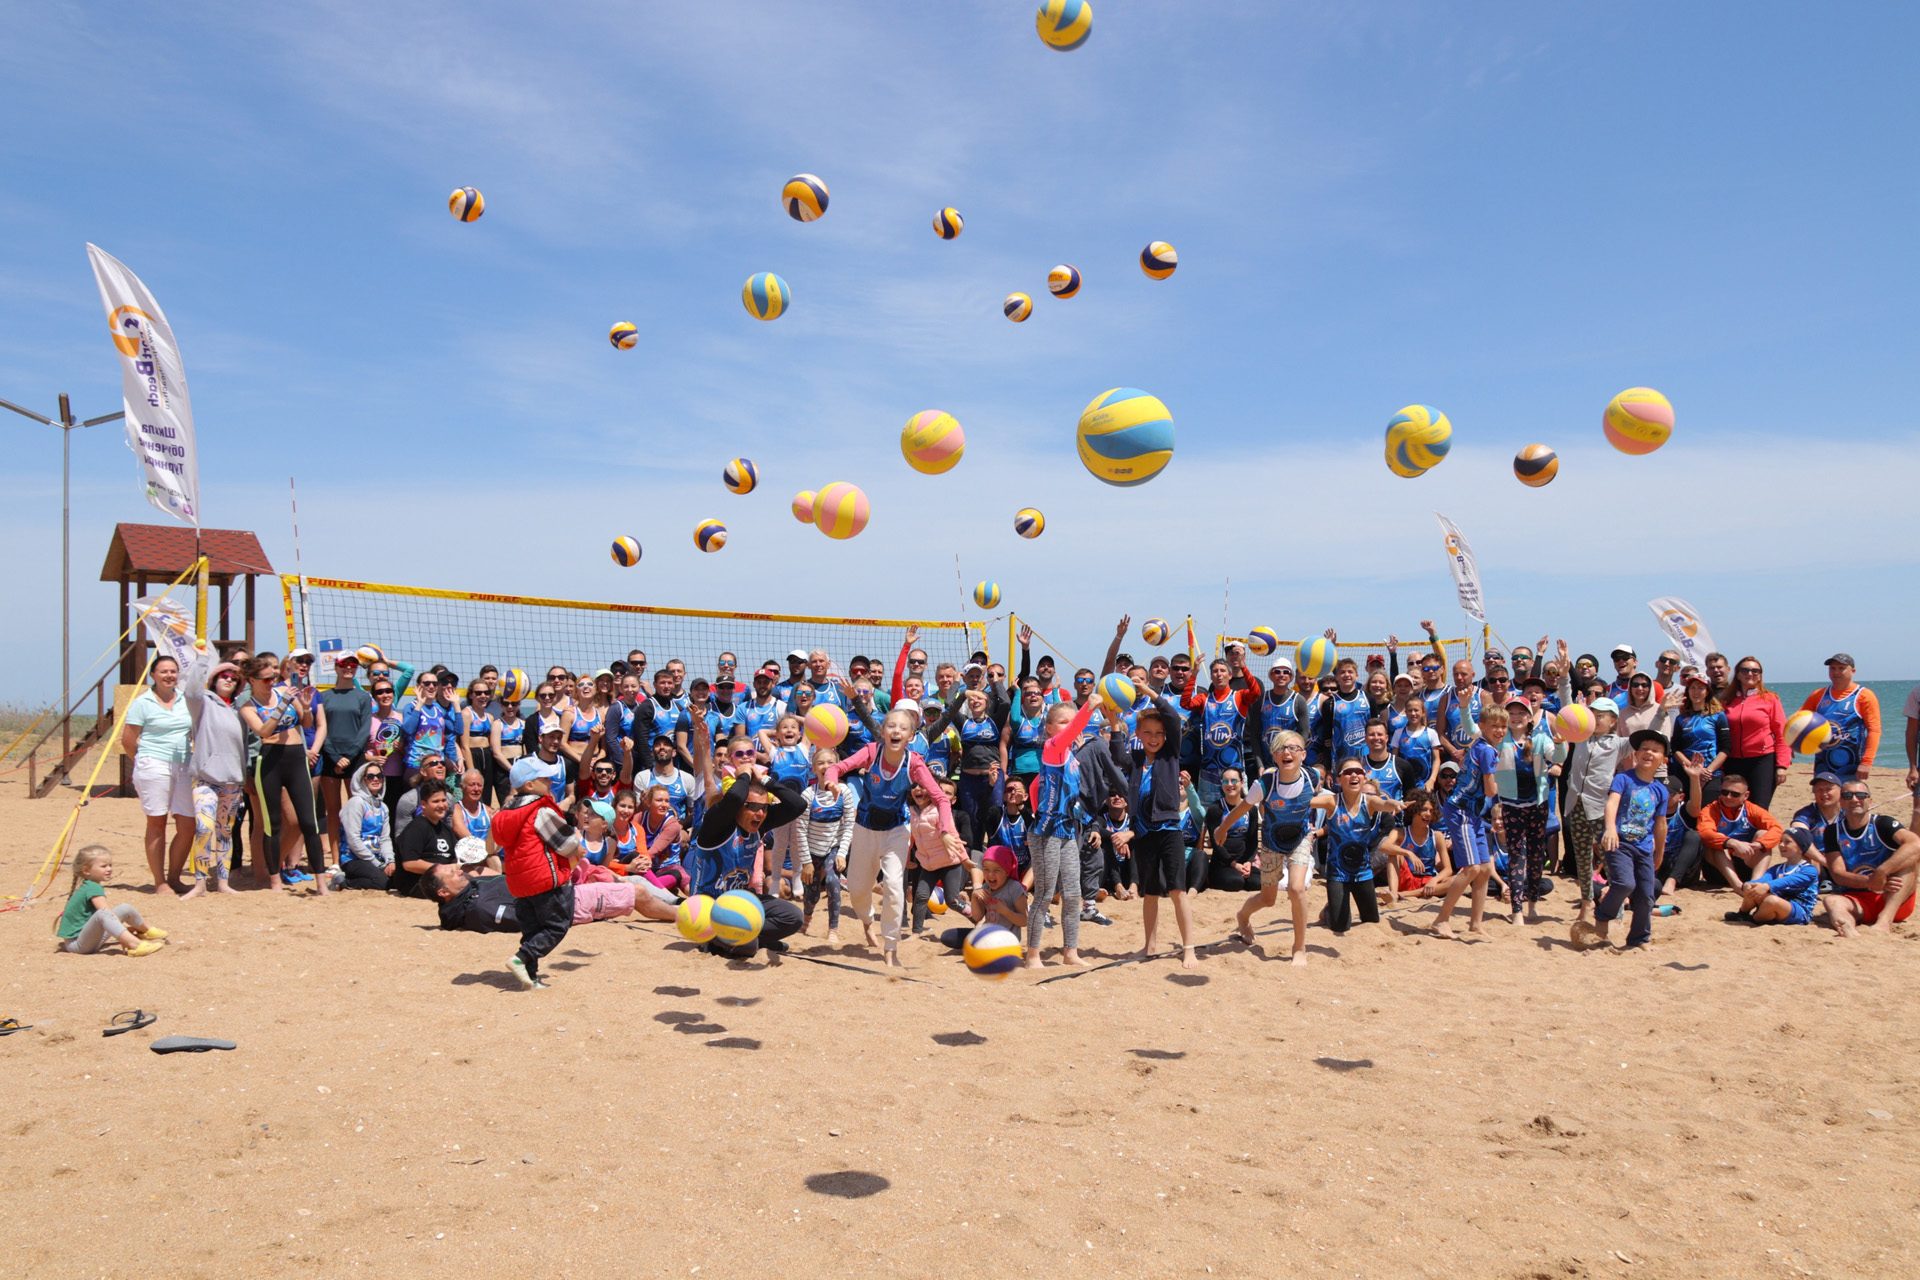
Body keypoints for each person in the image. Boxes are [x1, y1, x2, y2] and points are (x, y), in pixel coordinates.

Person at [826, 707, 960, 968]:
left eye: (903, 728)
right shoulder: (871, 752)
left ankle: (890, 948)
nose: (896, 731)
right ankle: (867, 922)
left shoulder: (915, 763)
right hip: (865, 828)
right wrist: (832, 781)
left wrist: (944, 830)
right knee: (857, 890)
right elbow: (838, 767)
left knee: (895, 888)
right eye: (891, 726)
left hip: (897, 830)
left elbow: (942, 798)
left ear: (910, 736)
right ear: (883, 732)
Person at [686, 707, 807, 959]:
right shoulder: (718, 822)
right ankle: (725, 940)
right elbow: (733, 798)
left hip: (739, 899)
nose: (760, 814)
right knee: (746, 950)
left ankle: (751, 937)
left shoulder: (759, 820)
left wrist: (764, 781)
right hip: (709, 905)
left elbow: (798, 805)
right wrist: (744, 773)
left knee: (793, 917)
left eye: (763, 808)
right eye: (752, 808)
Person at [1220, 729, 1321, 964]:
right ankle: (1242, 917)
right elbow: (1243, 808)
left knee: (1297, 889)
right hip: (1271, 843)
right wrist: (1222, 828)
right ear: (1274, 757)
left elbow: (1328, 798)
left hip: (1300, 838)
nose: (1287, 752)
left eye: (1293, 748)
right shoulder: (1265, 783)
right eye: (1281, 749)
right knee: (1268, 899)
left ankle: (1299, 948)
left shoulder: (1312, 777)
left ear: (1303, 754)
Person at [1116, 694, 1200, 965]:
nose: (1154, 738)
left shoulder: (1170, 755)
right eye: (1148, 732)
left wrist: (1151, 693)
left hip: (1169, 831)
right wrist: (1112, 722)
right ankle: (1149, 946)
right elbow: (1118, 752)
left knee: (1177, 891)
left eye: (1159, 733)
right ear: (1139, 733)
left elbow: (1174, 720)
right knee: (1149, 892)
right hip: (1143, 833)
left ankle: (1189, 948)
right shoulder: (1137, 758)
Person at [488, 756, 583, 988]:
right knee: (557, 925)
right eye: (545, 778)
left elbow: (492, 846)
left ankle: (529, 977)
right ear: (529, 785)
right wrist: (578, 839)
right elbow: (567, 844)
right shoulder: (539, 810)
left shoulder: (505, 813)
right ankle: (521, 958)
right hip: (545, 880)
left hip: (520, 884)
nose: (551, 782)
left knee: (532, 928)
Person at [238, 654, 329, 894]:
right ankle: (275, 881)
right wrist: (281, 706)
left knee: (309, 822)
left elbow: (306, 723)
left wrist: (307, 707)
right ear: (252, 680)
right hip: (268, 761)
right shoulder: (248, 706)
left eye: (272, 678)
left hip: (296, 759)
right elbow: (263, 732)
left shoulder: (283, 692)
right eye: (265, 679)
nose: (271, 682)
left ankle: (321, 883)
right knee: (272, 825)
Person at [1023, 697, 1101, 969]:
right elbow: (1073, 730)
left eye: (1072, 720)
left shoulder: (1069, 757)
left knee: (1071, 893)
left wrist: (1038, 806)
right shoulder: (1053, 746)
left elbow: (1035, 786)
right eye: (1063, 721)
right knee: (1044, 894)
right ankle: (1032, 954)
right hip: (1046, 832)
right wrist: (1088, 707)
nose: (1070, 726)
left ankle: (1071, 952)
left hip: (1066, 828)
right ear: (1050, 728)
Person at [1582, 729, 1671, 951]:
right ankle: (1603, 914)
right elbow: (1612, 803)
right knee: (1624, 883)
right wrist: (1610, 829)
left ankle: (1639, 938)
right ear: (1635, 754)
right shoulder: (1623, 778)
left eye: (1655, 750)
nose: (1649, 753)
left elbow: (1661, 825)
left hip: (1643, 848)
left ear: (1664, 760)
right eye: (1644, 749)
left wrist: (1659, 853)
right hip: (1618, 843)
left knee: (1646, 896)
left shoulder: (1661, 790)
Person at [122, 653, 195, 895]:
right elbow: (129, 741)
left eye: (173, 671)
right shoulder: (143, 703)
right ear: (153, 675)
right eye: (163, 671)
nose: (169, 675)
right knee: (157, 822)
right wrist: (145, 762)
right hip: (153, 764)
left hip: (184, 765)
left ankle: (174, 877)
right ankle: (159, 881)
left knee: (187, 824)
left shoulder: (186, 700)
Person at [180, 644, 246, 898]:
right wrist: (203, 660)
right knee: (204, 828)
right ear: (215, 680)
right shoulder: (203, 704)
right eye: (224, 676)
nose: (228, 680)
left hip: (232, 780)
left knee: (225, 833)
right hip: (205, 779)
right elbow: (192, 690)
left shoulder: (241, 709)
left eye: (233, 678)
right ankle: (199, 884)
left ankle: (223, 883)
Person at [1493, 698, 1565, 924]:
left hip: (1537, 805)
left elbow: (1560, 758)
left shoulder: (1541, 738)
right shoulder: (1499, 739)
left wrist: (1561, 743)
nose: (1516, 716)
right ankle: (1517, 910)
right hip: (1511, 805)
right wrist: (1465, 709)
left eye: (1521, 713)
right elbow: (1473, 731)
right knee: (1517, 856)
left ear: (1530, 717)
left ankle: (1532, 904)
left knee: (1535, 856)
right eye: (1511, 712)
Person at [1819, 781, 1920, 935]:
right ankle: (1849, 930)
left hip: (1892, 896)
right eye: (1847, 796)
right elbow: (1838, 875)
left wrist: (1882, 872)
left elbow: (1915, 843)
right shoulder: (1833, 832)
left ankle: (1884, 921)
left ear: (1870, 801)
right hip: (1858, 899)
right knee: (1830, 901)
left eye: (1860, 795)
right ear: (1841, 803)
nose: (1854, 799)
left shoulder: (1882, 823)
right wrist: (1870, 881)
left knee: (1909, 862)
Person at [1561, 696, 1627, 924]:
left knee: (1611, 861)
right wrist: (1563, 679)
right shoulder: (1581, 737)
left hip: (1600, 809)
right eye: (1592, 714)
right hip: (1576, 805)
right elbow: (1567, 708)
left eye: (1600, 716)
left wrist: (1661, 714)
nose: (1595, 719)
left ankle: (1616, 908)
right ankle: (1586, 902)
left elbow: (1647, 740)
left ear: (1612, 720)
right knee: (1582, 858)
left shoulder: (1618, 743)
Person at [1320, 756, 1400, 932]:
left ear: (1364, 777)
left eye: (1358, 771)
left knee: (1371, 920)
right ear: (1339, 780)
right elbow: (1304, 803)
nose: (1354, 775)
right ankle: (1327, 912)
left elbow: (1385, 803)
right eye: (1348, 772)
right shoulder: (1331, 801)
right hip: (1337, 873)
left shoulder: (1369, 801)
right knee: (1341, 926)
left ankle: (1335, 907)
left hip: (1362, 871)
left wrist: (1395, 804)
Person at [56, 847, 167, 956]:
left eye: (110, 865)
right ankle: (134, 944)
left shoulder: (90, 884)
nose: (109, 869)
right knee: (103, 913)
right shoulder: (92, 887)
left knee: (125, 908)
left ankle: (145, 931)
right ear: (86, 870)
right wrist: (124, 934)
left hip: (88, 938)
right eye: (103, 866)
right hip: (78, 945)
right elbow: (106, 913)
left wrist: (124, 928)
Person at [317, 650, 372, 865]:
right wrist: (334, 755)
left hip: (354, 757)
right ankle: (335, 860)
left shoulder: (362, 697)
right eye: (344, 664)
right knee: (333, 811)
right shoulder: (324, 696)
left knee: (354, 810)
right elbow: (322, 727)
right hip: (330, 757)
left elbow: (364, 730)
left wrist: (348, 757)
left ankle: (353, 856)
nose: (348, 668)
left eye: (352, 665)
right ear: (336, 667)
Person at [798, 749, 856, 942]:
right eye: (820, 763)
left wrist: (842, 852)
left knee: (832, 881)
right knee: (811, 895)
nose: (825, 767)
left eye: (830, 762)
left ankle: (833, 929)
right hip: (812, 851)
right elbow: (800, 831)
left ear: (838, 767)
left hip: (833, 848)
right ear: (814, 768)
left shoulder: (845, 791)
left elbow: (849, 825)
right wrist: (806, 861)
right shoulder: (807, 794)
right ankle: (806, 918)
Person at [1799, 653, 1881, 783]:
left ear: (1853, 671)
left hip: (1850, 765)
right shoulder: (1818, 695)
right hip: (1823, 763)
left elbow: (1874, 730)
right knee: (1824, 800)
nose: (1836, 672)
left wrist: (1867, 762)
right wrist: (1790, 744)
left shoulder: (1864, 695)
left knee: (1849, 800)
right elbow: (1799, 722)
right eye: (1832, 668)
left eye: (1841, 668)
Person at [1697, 772, 1783, 885]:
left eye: (1735, 794)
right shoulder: (1710, 809)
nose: (1728, 797)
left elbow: (1777, 829)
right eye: (1724, 792)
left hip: (1746, 862)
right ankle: (1737, 886)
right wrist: (1732, 843)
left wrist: (1757, 845)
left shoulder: (1752, 809)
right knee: (1717, 840)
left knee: (1763, 834)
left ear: (1746, 795)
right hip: (1720, 869)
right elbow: (1704, 833)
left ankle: (1755, 883)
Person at [937, 845, 1028, 950]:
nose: (990, 875)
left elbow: (1024, 921)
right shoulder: (986, 887)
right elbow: (977, 917)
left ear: (1007, 871)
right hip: (987, 935)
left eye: (996, 870)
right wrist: (975, 897)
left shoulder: (1015, 888)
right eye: (986, 869)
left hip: (1007, 941)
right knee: (948, 937)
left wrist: (1006, 911)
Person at [1727, 830, 1821, 926]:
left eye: (1787, 842)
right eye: (1781, 841)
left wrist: (1767, 886)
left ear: (1801, 847)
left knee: (1771, 900)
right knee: (1754, 888)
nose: (1781, 845)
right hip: (1777, 904)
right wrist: (1751, 884)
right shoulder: (1777, 868)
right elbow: (1764, 879)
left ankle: (1753, 920)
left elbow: (1788, 881)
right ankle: (1742, 913)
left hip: (1799, 910)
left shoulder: (1810, 870)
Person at [1377, 789, 1452, 903]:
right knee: (1394, 853)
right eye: (1424, 810)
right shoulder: (1400, 832)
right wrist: (1408, 853)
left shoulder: (1437, 836)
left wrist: (1434, 880)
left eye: (1431, 811)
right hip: (1407, 878)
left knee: (1456, 880)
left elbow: (1448, 869)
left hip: (1428, 882)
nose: (1428, 814)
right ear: (1414, 810)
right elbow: (1384, 847)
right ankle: (1394, 892)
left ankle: (1401, 895)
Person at [389, 779, 458, 898]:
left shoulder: (445, 829)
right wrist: (442, 868)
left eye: (443, 800)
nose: (441, 805)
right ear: (424, 804)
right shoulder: (416, 828)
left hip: (444, 878)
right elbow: (410, 864)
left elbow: (454, 858)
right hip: (419, 884)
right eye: (436, 801)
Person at [1670, 674, 1731, 798]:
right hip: (1687, 773)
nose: (1696, 692)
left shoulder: (1718, 716)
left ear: (1707, 692)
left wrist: (1708, 771)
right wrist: (1692, 768)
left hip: (1711, 774)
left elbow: (1725, 748)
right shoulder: (1681, 718)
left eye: (1700, 688)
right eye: (1692, 688)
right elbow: (1676, 749)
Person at [336, 762, 394, 890]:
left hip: (376, 858)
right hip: (353, 859)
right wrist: (377, 864)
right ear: (362, 779)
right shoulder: (356, 803)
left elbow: (385, 838)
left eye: (379, 776)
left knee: (397, 878)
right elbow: (353, 839)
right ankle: (343, 883)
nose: (375, 779)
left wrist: (390, 861)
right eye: (370, 776)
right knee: (382, 883)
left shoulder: (383, 807)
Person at [1205, 768, 1260, 893]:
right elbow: (1215, 843)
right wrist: (1233, 864)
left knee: (1258, 883)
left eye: (1234, 780)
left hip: (1243, 861)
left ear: (1241, 783)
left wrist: (1248, 862)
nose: (1230, 785)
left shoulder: (1251, 810)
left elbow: (1252, 840)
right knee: (1236, 882)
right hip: (1222, 862)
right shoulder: (1215, 809)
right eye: (1225, 781)